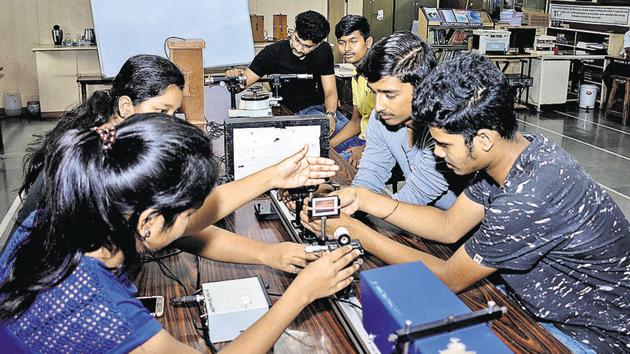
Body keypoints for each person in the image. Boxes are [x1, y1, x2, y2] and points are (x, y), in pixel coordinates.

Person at [304, 53, 630, 353]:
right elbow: (449, 226)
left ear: (484, 138)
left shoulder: (526, 197)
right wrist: (363, 197)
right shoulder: (519, 152)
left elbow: (446, 278)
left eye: (444, 144)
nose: (437, 152)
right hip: (540, 306)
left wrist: (360, 233)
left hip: (585, 336)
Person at [0, 114, 360, 353]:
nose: (194, 220)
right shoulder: (105, 310)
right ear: (149, 223)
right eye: (188, 213)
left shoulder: (54, 220)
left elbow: (186, 220)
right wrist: (300, 294)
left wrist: (271, 177)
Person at [10, 54, 340, 275]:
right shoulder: (104, 161)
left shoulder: (110, 138)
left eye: (174, 113)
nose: (170, 123)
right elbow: (179, 226)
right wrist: (269, 180)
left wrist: (266, 253)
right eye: (161, 110)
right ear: (126, 106)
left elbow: (175, 227)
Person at [351, 31, 460, 209]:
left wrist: (356, 207)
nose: (378, 106)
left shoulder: (446, 129)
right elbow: (370, 174)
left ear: (422, 88)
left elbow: (414, 196)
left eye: (390, 94)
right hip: (421, 216)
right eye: (374, 92)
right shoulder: (380, 119)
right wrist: (349, 200)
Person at [226, 11, 345, 137]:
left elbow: (330, 91)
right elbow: (240, 85)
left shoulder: (324, 51)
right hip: (289, 113)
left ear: (319, 44)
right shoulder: (271, 53)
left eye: (307, 47)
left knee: (354, 135)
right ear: (293, 31)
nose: (299, 49)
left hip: (319, 108)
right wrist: (233, 77)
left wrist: (331, 115)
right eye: (297, 40)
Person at [330, 15, 374, 167]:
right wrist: (326, 146)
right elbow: (356, 122)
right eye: (342, 43)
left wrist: (365, 149)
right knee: (316, 155)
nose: (347, 49)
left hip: (377, 146)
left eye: (353, 41)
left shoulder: (379, 76)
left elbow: (397, 129)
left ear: (368, 42)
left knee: (328, 168)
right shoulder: (356, 76)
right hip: (362, 139)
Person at [602, 29, 630, 103]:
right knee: (606, 73)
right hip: (627, 65)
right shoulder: (628, 34)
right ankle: (617, 94)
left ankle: (620, 94)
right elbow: (627, 50)